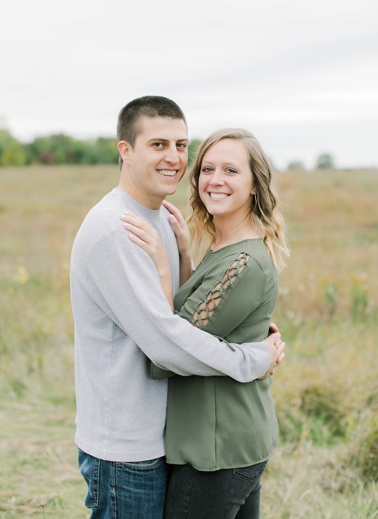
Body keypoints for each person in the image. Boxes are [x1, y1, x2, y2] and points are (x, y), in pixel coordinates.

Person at [71, 96, 285, 519]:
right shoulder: (118, 230)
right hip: (126, 447)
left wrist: (187, 264)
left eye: (182, 145)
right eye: (158, 145)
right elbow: (166, 345)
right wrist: (253, 356)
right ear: (125, 150)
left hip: (164, 438)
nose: (174, 158)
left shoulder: (161, 219)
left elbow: (185, 314)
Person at [123, 127, 289, 518]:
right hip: (233, 443)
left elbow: (170, 350)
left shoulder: (242, 263)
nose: (215, 180)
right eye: (207, 169)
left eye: (231, 170)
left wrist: (162, 268)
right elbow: (207, 315)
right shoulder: (225, 248)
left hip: (216, 451)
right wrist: (183, 254)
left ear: (254, 185)